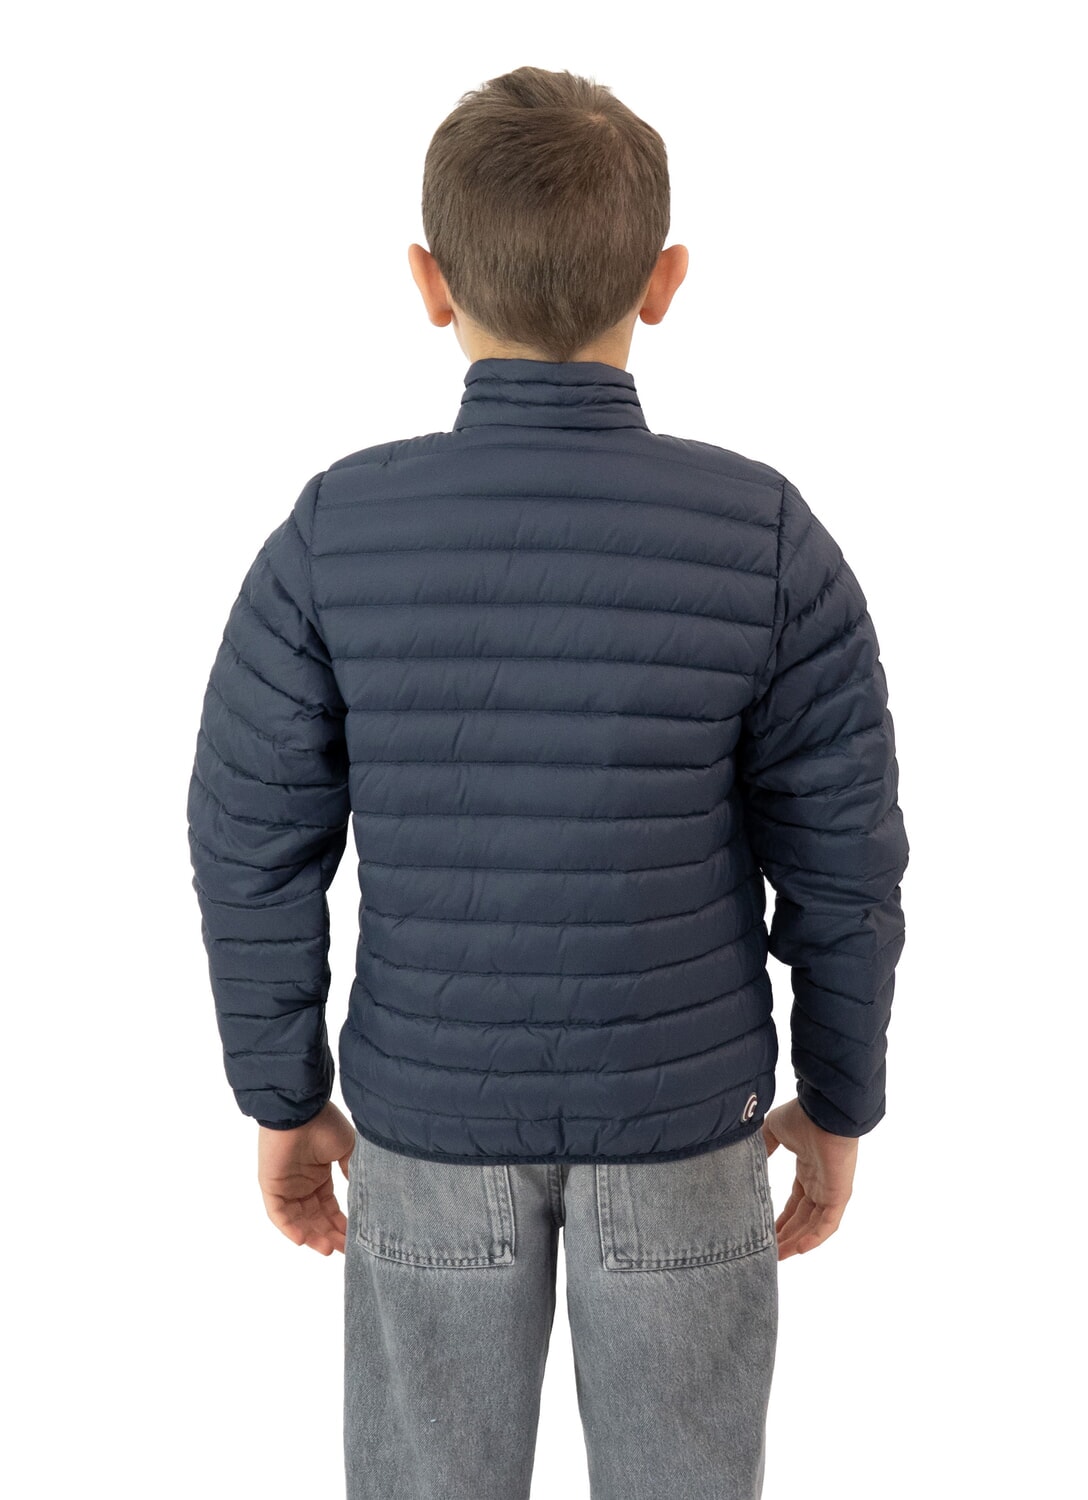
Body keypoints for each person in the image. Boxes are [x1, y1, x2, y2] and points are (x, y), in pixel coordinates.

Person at [186, 63, 909, 1500]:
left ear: (426, 282)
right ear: (665, 281)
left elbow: (247, 841)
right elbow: (845, 863)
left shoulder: (335, 533)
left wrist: (283, 1095)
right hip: (686, 1129)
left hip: (427, 1125)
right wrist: (838, 1098)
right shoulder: (764, 535)